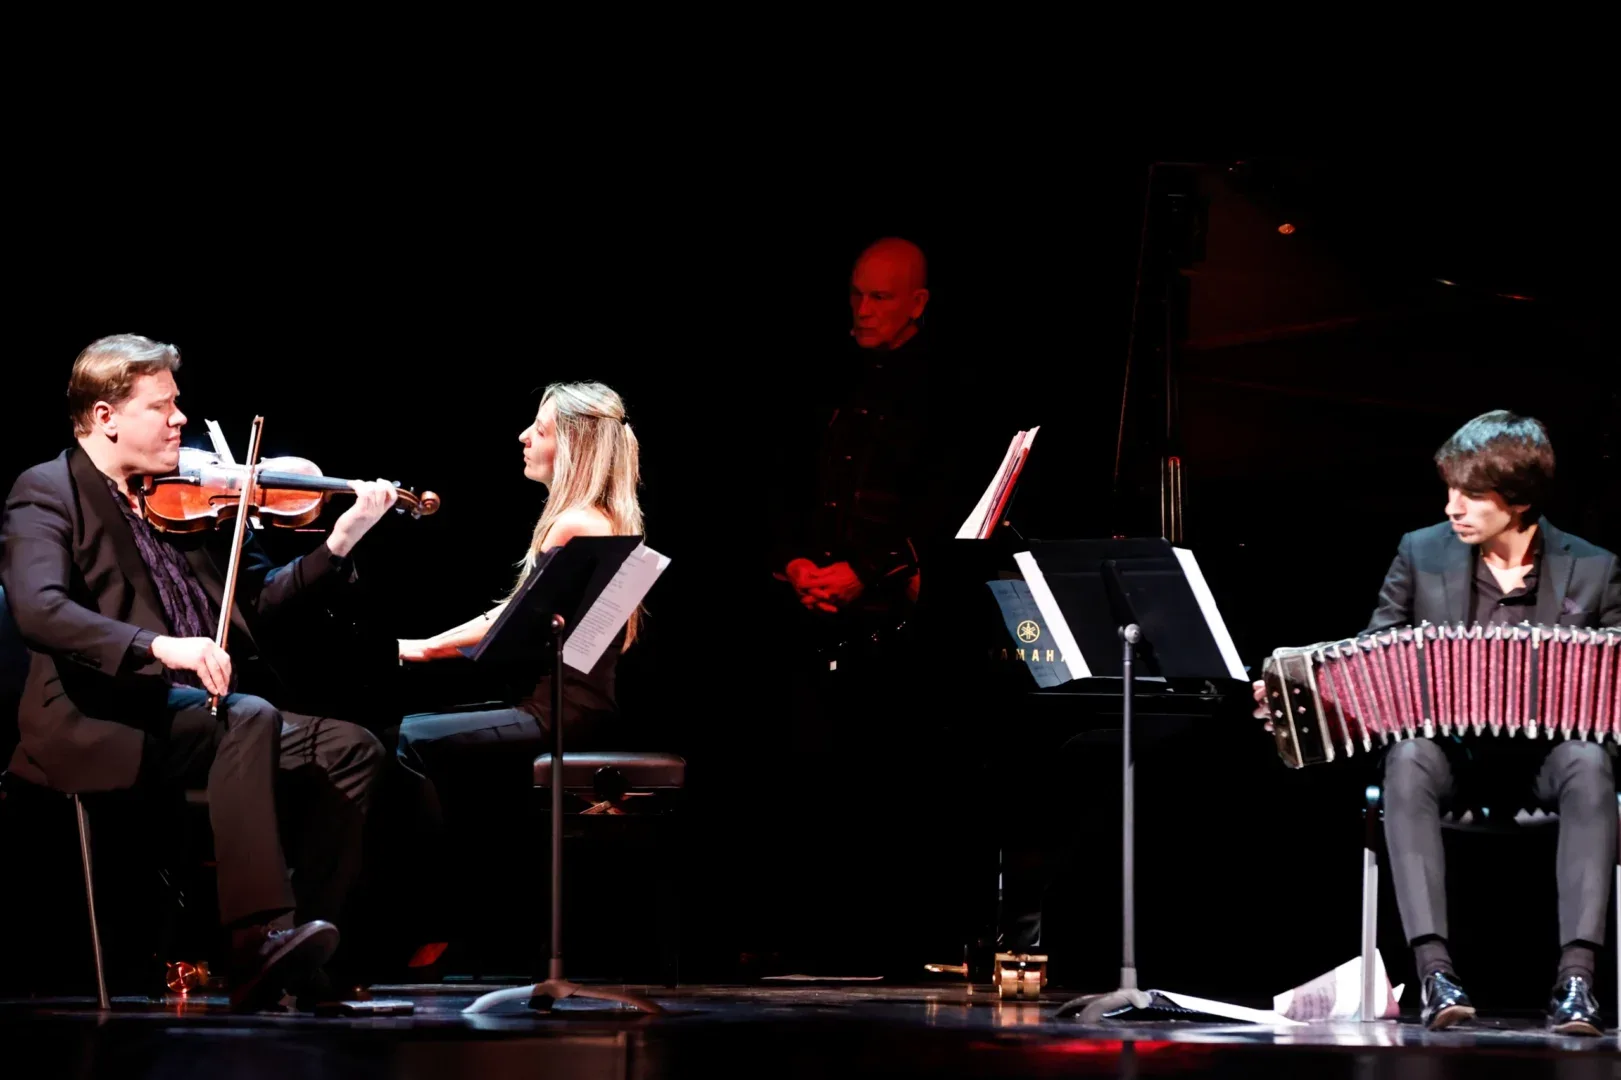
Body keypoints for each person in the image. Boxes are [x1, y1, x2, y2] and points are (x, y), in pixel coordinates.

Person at [1, 334, 396, 1011]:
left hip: (196, 717)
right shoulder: (47, 491)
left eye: (177, 404)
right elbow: (40, 610)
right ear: (106, 417)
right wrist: (160, 647)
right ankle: (254, 942)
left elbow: (256, 603)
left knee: (350, 748)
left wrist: (340, 541)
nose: (180, 419)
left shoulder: (180, 497)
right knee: (249, 715)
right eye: (161, 406)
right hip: (100, 716)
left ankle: (295, 955)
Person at [1254, 410, 1620, 1035]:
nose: (1453, 507)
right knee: (1408, 756)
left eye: (1472, 494)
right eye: (1450, 489)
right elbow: (1372, 655)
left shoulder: (1594, 567)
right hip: (1454, 760)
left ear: (1518, 500)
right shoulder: (1421, 552)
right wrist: (1300, 695)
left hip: (1548, 762)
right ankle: (1435, 974)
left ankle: (1577, 981)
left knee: (1590, 762)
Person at [393, 381, 643, 969]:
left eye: (541, 428)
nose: (525, 436)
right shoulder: (613, 520)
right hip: (583, 706)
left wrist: (421, 649)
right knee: (426, 738)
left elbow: (510, 619)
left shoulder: (575, 523)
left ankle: (436, 915)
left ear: (574, 445)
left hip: (558, 711)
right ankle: (465, 912)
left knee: (406, 741)